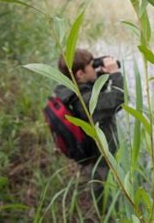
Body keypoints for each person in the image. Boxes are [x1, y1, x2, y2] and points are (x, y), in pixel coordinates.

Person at [53, 48, 124, 199]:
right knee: (108, 191)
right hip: (101, 158)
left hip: (90, 153)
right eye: (92, 66)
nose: (95, 68)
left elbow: (96, 96)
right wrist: (115, 74)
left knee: (97, 183)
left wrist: (102, 77)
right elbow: (119, 99)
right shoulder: (85, 102)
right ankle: (109, 214)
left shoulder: (71, 90)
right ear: (80, 74)